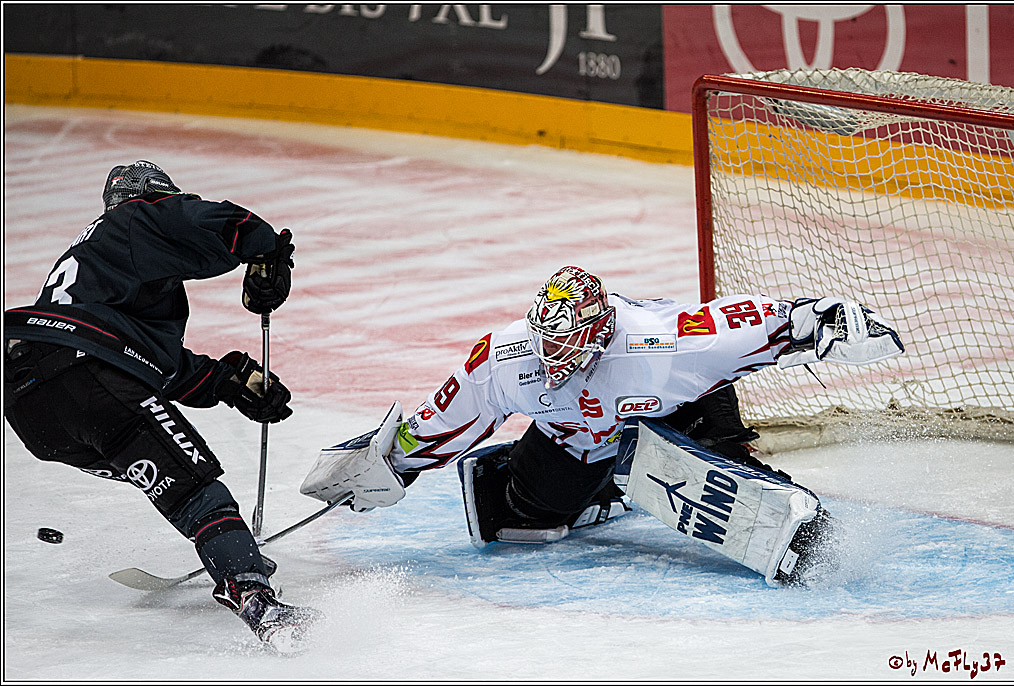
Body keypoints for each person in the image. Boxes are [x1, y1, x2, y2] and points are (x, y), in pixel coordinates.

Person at [301, 265, 904, 585]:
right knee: (518, 516)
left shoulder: (663, 347)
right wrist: (390, 464)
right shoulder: (506, 358)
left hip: (683, 415)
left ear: (597, 332)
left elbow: (751, 321)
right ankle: (613, 478)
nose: (552, 361)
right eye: (546, 344)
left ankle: (759, 500)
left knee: (680, 455)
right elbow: (448, 417)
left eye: (568, 346)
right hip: (580, 438)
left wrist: (818, 321)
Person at [3, 160, 317, 652]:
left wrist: (229, 382)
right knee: (195, 492)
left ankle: (224, 545)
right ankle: (254, 597)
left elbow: (150, 366)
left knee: (164, 468)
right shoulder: (133, 218)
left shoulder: (103, 268)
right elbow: (212, 223)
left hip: (35, 410)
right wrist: (265, 248)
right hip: (88, 376)